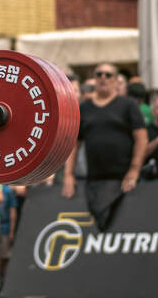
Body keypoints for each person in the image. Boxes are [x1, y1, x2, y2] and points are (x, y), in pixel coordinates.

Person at [62, 62, 148, 225]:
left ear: (116, 80)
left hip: (124, 181)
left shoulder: (128, 105)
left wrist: (134, 170)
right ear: (94, 79)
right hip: (94, 181)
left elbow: (141, 138)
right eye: (99, 74)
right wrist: (68, 175)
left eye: (108, 75)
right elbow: (74, 143)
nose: (103, 78)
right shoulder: (84, 108)